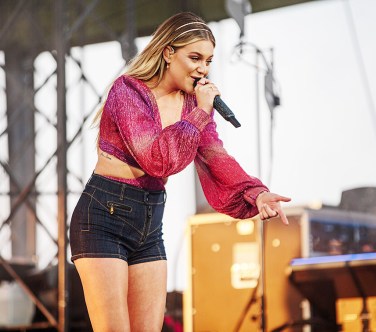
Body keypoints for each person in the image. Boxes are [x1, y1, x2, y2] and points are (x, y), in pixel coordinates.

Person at [69, 11, 291, 332]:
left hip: (149, 222)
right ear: (169, 53)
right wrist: (201, 112)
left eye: (209, 60)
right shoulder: (128, 92)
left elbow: (215, 155)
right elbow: (156, 159)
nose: (203, 68)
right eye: (195, 57)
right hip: (104, 215)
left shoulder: (191, 105)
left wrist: (254, 192)